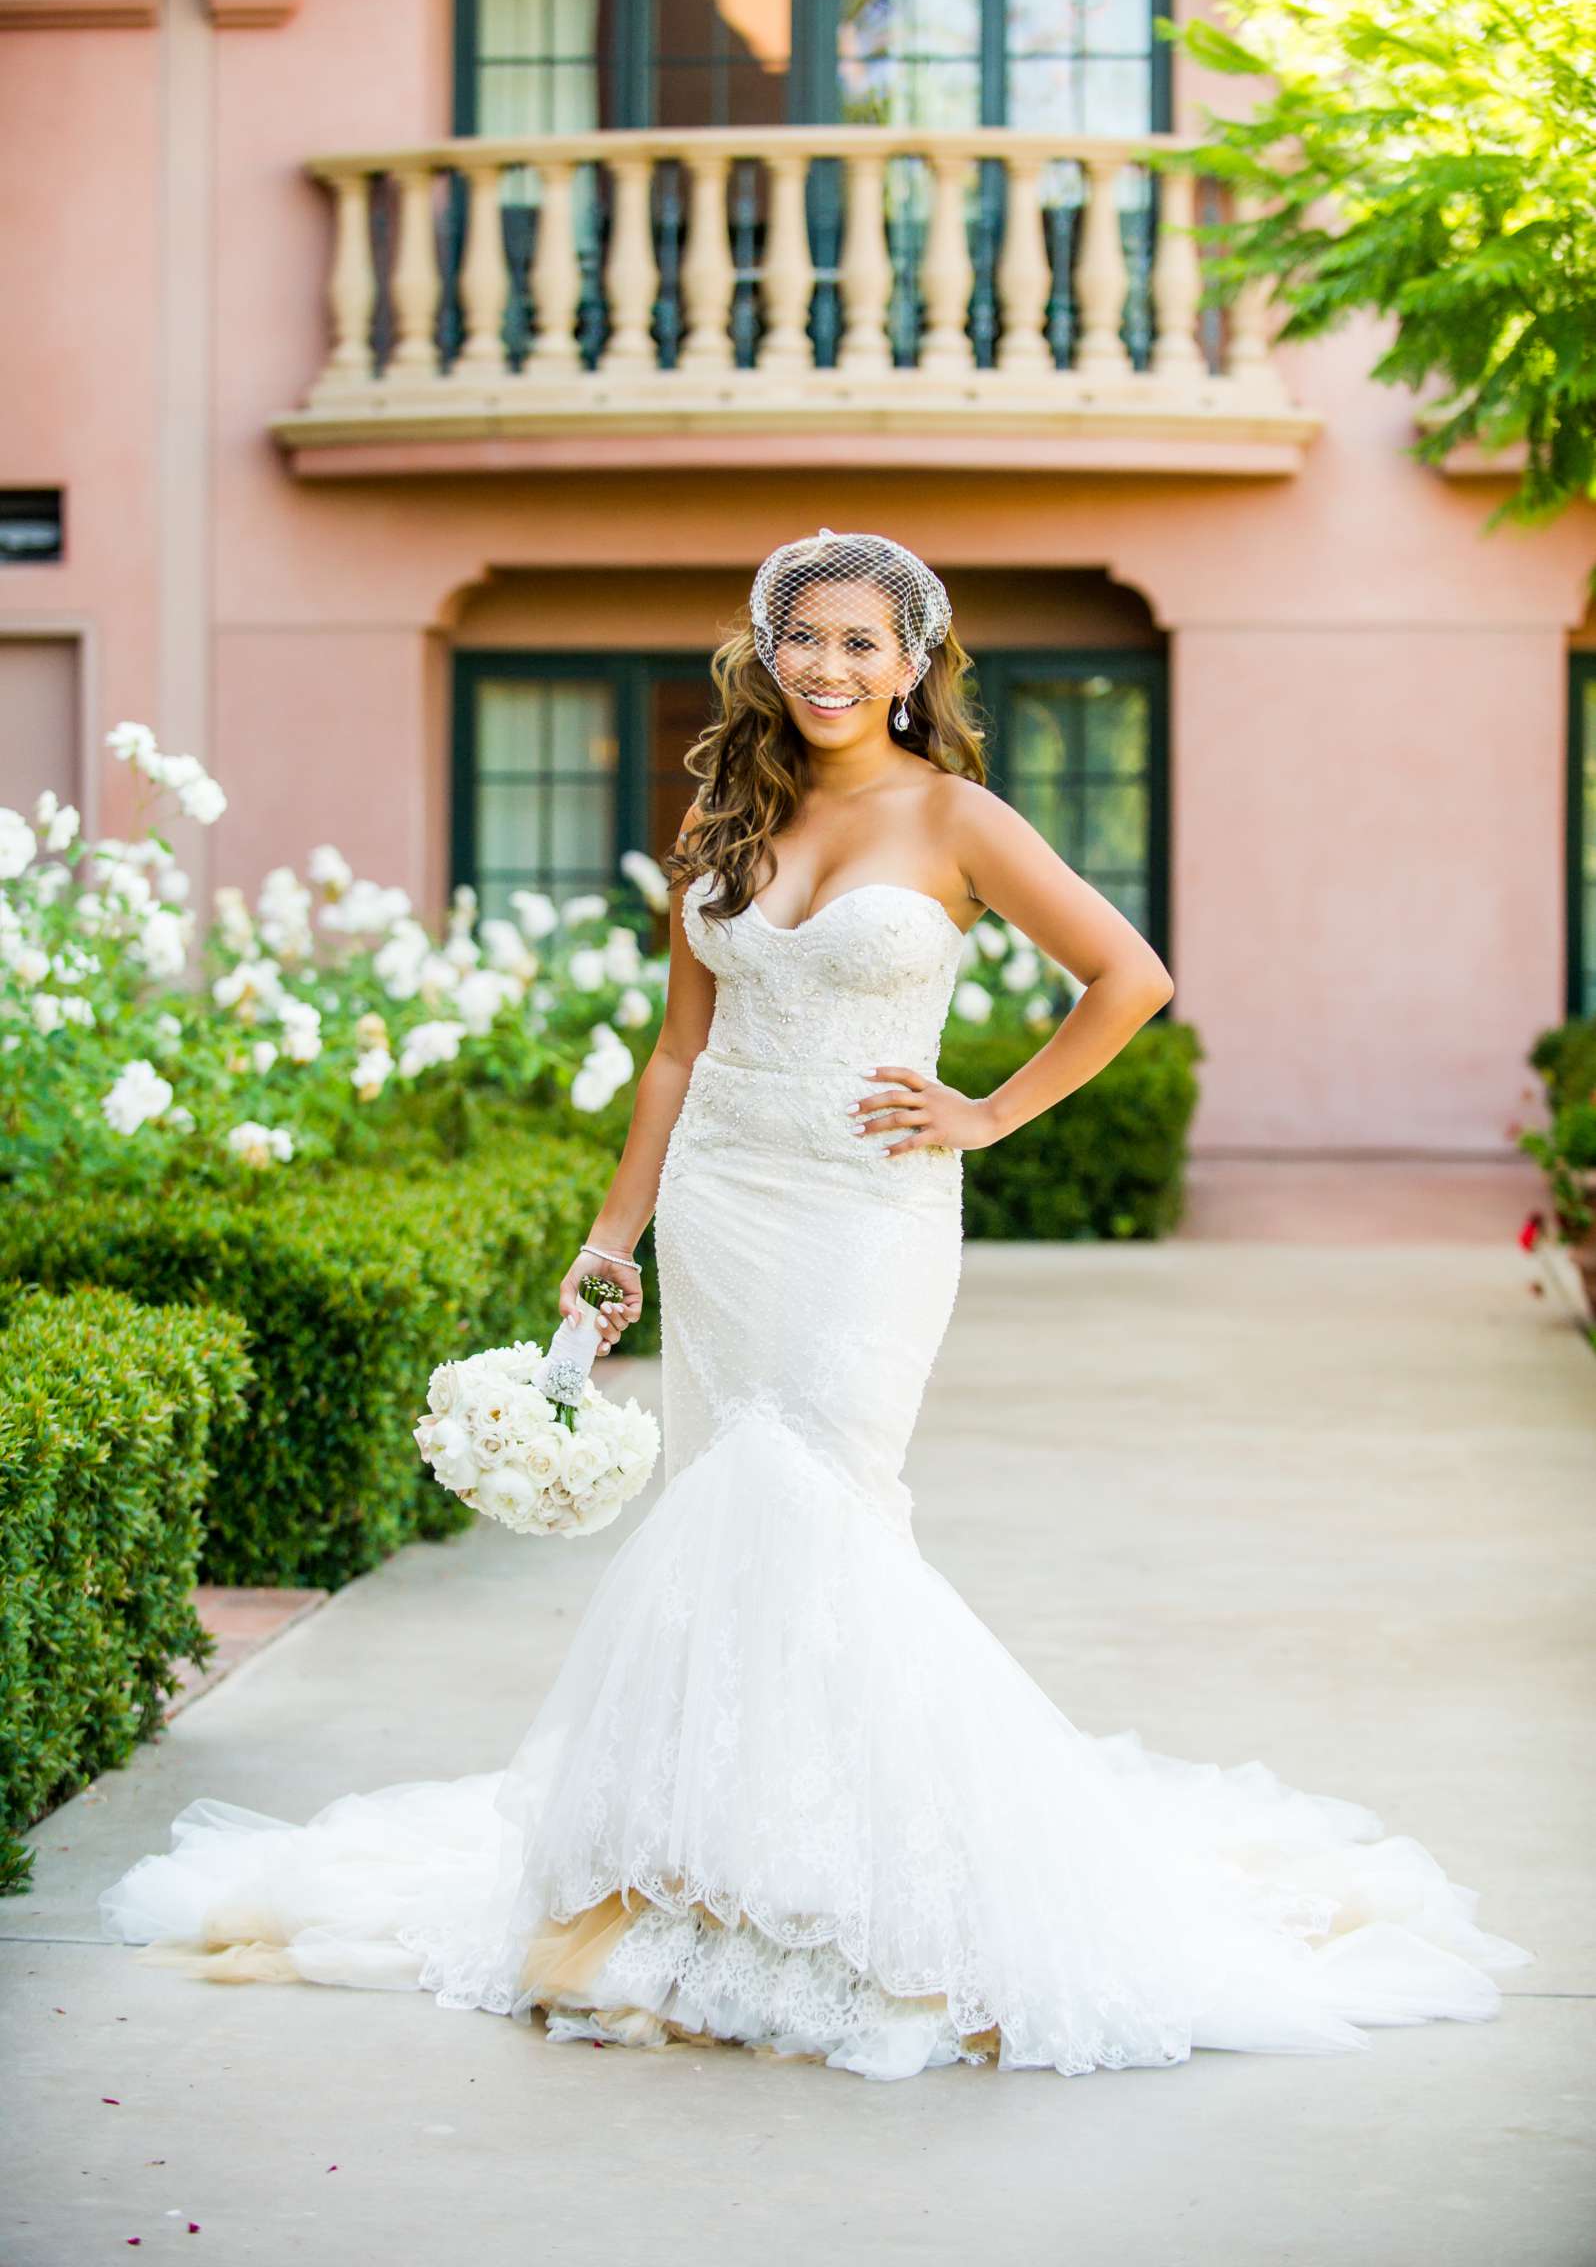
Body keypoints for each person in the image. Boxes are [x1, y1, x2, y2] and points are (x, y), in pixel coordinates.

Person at [99, 528, 1532, 2080]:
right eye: (804, 638)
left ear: (914, 664)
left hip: (867, 1217)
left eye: (862, 642)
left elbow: (1129, 976)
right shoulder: (727, 812)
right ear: (766, 654)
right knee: (729, 1521)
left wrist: (987, 1112)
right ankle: (714, 1876)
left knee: (826, 1510)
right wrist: (613, 1233)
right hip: (724, 1207)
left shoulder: (960, 816)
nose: (829, 667)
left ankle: (874, 1885)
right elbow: (673, 1053)